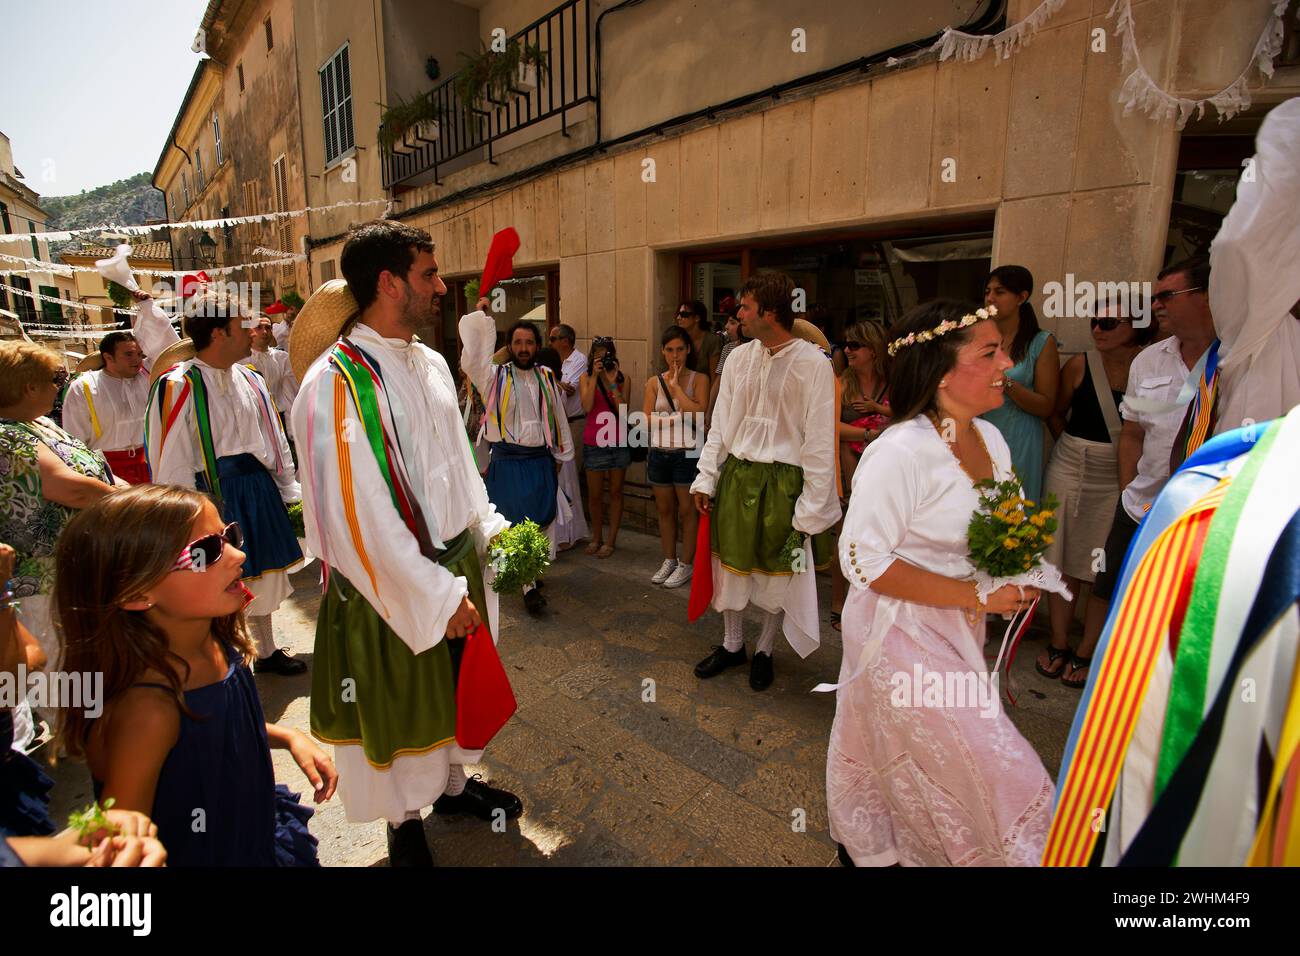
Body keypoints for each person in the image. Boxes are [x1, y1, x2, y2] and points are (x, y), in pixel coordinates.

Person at [291, 220, 521, 866]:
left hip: (452, 566)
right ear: (390, 284)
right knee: (401, 709)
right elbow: (355, 518)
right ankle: (404, 825)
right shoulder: (332, 386)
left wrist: (489, 529)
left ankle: (452, 789)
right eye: (429, 273)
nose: (443, 286)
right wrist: (434, 593)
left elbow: (458, 463)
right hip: (391, 584)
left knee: (447, 699)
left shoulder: (433, 363)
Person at [827, 300, 1053, 866]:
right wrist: (975, 593)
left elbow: (998, 525)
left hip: (958, 632)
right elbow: (861, 559)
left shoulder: (994, 442)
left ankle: (889, 850)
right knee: (1002, 768)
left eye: (1004, 348)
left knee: (918, 761)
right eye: (991, 351)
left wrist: (1014, 570)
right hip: (896, 636)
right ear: (942, 370)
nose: (1007, 361)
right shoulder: (901, 451)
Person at [53, 485, 333, 867]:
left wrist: (286, 735)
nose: (239, 555)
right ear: (137, 592)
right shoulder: (148, 710)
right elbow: (117, 838)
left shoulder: (213, 639)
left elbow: (211, 727)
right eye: (206, 552)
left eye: (228, 536)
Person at [1067, 256, 1218, 689]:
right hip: (1140, 505)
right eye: (1154, 298)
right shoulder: (1148, 362)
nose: (1157, 306)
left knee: (1181, 600)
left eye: (1167, 296)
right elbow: (1132, 433)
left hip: (1205, 513)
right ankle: (1092, 655)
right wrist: (1126, 489)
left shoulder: (1239, 358)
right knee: (1109, 582)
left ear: (1205, 298)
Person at [690, 271, 840, 692]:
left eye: (745, 307)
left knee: (779, 573)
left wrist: (811, 508)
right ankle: (733, 643)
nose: (738, 314)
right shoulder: (738, 357)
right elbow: (721, 425)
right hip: (738, 476)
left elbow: (819, 440)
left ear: (769, 313)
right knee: (731, 565)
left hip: (784, 484)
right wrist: (707, 477)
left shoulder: (813, 365)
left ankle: (765, 651)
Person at [144, 292, 306, 676]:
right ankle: (226, 654)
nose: (251, 332)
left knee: (262, 574)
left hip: (256, 486)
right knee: (217, 579)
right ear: (218, 333)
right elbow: (171, 455)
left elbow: (273, 436)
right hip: (213, 492)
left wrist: (287, 488)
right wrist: (185, 515)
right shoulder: (177, 385)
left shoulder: (251, 378)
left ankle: (265, 650)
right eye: (241, 325)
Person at [0, 341, 126, 743]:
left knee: (80, 651)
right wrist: (134, 502)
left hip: (71, 564)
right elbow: (68, 488)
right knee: (58, 660)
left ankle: (90, 729)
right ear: (26, 387)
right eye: (53, 380)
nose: (60, 386)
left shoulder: (37, 422)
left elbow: (91, 468)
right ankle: (74, 738)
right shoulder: (6, 435)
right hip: (42, 574)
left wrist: (118, 487)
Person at [1036, 306, 1152, 685]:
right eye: (1094, 322)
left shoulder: (1150, 367)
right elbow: (1056, 413)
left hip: (1120, 474)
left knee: (1103, 564)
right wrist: (1070, 449)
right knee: (1061, 555)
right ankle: (1058, 643)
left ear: (1137, 326)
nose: (1098, 329)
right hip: (1070, 465)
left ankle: (1087, 650)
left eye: (1109, 323)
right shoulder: (1080, 364)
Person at [461, 311, 572, 614]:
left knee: (540, 520)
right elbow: (471, 362)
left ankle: (529, 575)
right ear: (509, 346)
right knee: (509, 521)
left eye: (529, 343)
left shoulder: (548, 378)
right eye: (518, 343)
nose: (524, 348)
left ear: (537, 346)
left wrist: (561, 456)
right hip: (508, 463)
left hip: (540, 461)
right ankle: (525, 587)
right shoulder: (494, 377)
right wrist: (483, 320)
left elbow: (558, 418)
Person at [829, 320, 891, 632]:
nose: (848, 350)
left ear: (874, 348)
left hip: (884, 475)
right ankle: (839, 604)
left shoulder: (892, 382)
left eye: (856, 345)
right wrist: (869, 433)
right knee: (846, 537)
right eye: (846, 345)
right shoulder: (841, 383)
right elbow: (829, 426)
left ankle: (871, 601)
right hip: (848, 473)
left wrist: (878, 414)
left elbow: (909, 419)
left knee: (879, 540)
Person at [979, 265, 1060, 501]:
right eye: (987, 291)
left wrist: (1007, 383)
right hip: (979, 434)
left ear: (1021, 297)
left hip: (1019, 438)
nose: (990, 298)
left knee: (1013, 514)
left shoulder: (1041, 342)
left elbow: (1046, 406)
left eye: (1000, 291)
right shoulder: (980, 339)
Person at [644, 326, 707, 589]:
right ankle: (669, 559)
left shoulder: (699, 379)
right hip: (659, 452)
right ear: (663, 351)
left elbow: (701, 413)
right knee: (664, 509)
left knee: (687, 511)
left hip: (688, 453)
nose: (675, 355)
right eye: (670, 349)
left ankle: (686, 564)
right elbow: (646, 420)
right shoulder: (653, 382)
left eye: (680, 349)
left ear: (689, 349)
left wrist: (677, 390)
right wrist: (680, 415)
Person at [61, 331, 152, 485]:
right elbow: (74, 439)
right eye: (129, 355)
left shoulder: (147, 378)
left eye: (139, 354)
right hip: (107, 469)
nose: (137, 360)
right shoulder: (84, 387)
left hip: (149, 465)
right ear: (108, 357)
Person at [579, 336, 630, 559]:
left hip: (618, 441)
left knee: (617, 492)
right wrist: (594, 377)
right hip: (594, 441)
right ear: (592, 356)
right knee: (595, 494)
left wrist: (611, 382)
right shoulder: (585, 378)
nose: (602, 358)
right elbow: (587, 406)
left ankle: (611, 540)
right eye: (598, 354)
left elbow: (624, 412)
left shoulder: (622, 378)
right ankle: (596, 537)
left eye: (605, 354)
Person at [540, 331, 589, 550]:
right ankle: (567, 534)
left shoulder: (548, 382)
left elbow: (567, 392)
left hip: (558, 439)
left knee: (562, 486)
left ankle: (564, 535)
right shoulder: (551, 383)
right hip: (558, 439)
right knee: (566, 485)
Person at [244, 315, 299, 446]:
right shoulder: (242, 360)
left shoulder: (283, 358)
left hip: (279, 418)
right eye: (258, 327)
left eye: (268, 328)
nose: (264, 332)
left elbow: (290, 394)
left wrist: (293, 431)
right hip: (254, 421)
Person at [667, 299, 722, 384]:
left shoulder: (712, 340)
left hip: (705, 391)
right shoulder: (679, 338)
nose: (679, 318)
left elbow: (714, 379)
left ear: (697, 318)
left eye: (684, 314)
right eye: (678, 314)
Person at [708, 297, 745, 420]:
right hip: (726, 407)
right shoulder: (727, 348)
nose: (727, 327)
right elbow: (719, 380)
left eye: (733, 323)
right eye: (727, 322)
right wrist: (710, 411)